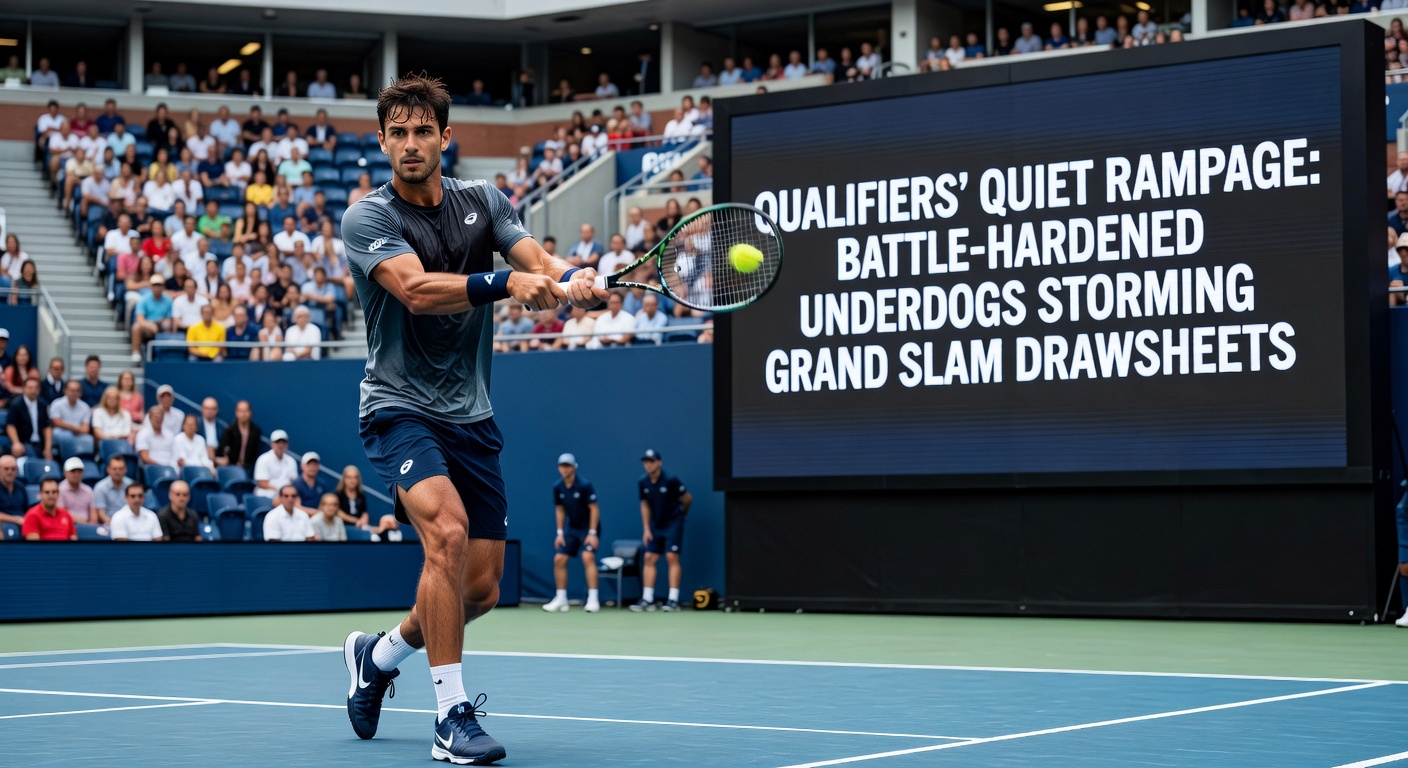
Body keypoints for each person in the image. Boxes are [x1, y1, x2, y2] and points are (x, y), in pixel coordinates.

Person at [339, 73, 608, 764]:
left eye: (421, 130)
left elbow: (538, 260)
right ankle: (451, 715)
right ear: (382, 141)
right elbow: (416, 290)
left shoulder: (484, 202)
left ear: (445, 137)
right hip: (398, 407)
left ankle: (379, 657)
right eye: (396, 132)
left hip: (472, 414)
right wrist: (509, 284)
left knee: (478, 589)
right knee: (447, 533)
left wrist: (573, 278)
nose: (409, 144)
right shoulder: (368, 218)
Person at [630, 449, 692, 612]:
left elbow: (687, 499)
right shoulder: (642, 482)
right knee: (649, 557)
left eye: (651, 461)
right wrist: (646, 528)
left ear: (659, 462)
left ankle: (673, 600)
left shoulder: (671, 480)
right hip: (655, 525)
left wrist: (680, 516)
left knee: (671, 557)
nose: (648, 465)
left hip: (673, 523)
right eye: (646, 462)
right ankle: (647, 599)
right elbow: (644, 505)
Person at [543, 453, 601, 613]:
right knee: (559, 559)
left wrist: (592, 533)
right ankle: (561, 599)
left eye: (568, 465)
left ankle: (593, 599)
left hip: (588, 528)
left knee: (587, 557)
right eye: (562, 466)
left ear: (574, 467)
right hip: (572, 528)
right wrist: (560, 532)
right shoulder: (557, 487)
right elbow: (560, 510)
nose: (564, 469)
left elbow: (594, 509)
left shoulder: (584, 485)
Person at [336, 464, 399, 536]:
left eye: (355, 477)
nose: (352, 480)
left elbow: (364, 512)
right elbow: (337, 512)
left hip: (360, 526)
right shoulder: (338, 494)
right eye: (349, 477)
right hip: (343, 527)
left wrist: (363, 520)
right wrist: (356, 521)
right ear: (344, 479)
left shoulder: (360, 495)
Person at [7, 376, 53, 460]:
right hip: (23, 443)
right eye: (30, 388)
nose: (33, 390)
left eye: (36, 388)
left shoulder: (43, 404)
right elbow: (11, 425)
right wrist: (16, 443)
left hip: (39, 443)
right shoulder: (16, 404)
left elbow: (47, 427)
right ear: (24, 388)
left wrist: (48, 448)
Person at [131, 275, 175, 360]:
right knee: (136, 327)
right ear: (151, 287)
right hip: (148, 326)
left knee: (168, 324)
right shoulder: (144, 299)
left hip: (163, 325)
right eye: (155, 286)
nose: (157, 288)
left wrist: (166, 322)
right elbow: (140, 319)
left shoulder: (168, 300)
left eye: (159, 285)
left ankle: (167, 353)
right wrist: (151, 325)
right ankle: (136, 353)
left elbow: (170, 318)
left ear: (163, 287)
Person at [49, 380, 95, 458]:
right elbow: (56, 422)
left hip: (78, 435)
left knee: (89, 439)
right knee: (62, 435)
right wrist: (75, 428)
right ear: (65, 390)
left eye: (77, 391)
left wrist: (75, 429)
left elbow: (85, 429)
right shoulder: (57, 403)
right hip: (62, 433)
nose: (74, 393)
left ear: (80, 393)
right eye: (71, 390)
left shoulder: (85, 406)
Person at [216, 399, 261, 471]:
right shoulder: (229, 430)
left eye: (246, 411)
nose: (243, 414)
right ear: (236, 413)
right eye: (241, 411)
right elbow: (222, 450)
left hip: (248, 468)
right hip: (230, 466)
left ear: (250, 412)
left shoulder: (255, 431)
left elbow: (255, 453)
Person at [253, 428, 297, 497]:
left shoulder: (291, 461)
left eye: (283, 442)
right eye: (277, 442)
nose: (280, 445)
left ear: (287, 444)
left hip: (285, 494)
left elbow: (293, 481)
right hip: (267, 493)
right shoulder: (263, 459)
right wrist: (279, 490)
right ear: (271, 444)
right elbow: (262, 483)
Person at [92, 454, 134, 522]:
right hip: (109, 524)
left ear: (125, 470)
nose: (117, 472)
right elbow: (101, 514)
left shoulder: (131, 485)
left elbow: (135, 507)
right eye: (114, 469)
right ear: (108, 469)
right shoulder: (100, 487)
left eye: (121, 469)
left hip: (130, 522)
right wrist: (115, 524)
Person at [59, 457, 99, 524]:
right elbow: (61, 513)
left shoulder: (88, 490)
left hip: (87, 526)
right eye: (73, 471)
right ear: (65, 473)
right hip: (67, 525)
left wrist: (91, 526)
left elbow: (93, 515)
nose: (76, 474)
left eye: (79, 471)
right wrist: (84, 524)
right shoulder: (60, 490)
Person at [0, 455, 25, 529]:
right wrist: (16, 519)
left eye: (13, 469)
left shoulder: (21, 486)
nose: (10, 472)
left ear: (17, 471)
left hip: (22, 524)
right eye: (6, 469)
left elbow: (25, 509)